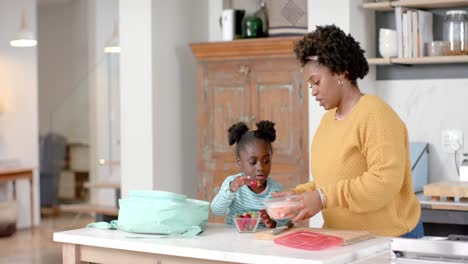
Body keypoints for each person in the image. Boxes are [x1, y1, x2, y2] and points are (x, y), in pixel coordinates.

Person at [273, 24, 423, 238]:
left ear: (341, 72)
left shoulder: (375, 113)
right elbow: (330, 182)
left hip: (389, 239)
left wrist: (323, 197)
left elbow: (384, 182)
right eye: (310, 86)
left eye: (316, 82)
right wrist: (298, 196)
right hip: (345, 241)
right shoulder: (327, 121)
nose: (313, 91)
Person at [211, 120, 286, 228]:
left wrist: (273, 224)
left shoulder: (276, 190)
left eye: (266, 161)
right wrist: (231, 190)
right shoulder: (232, 184)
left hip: (262, 242)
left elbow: (287, 223)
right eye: (252, 162)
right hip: (233, 240)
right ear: (239, 161)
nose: (260, 167)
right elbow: (216, 211)